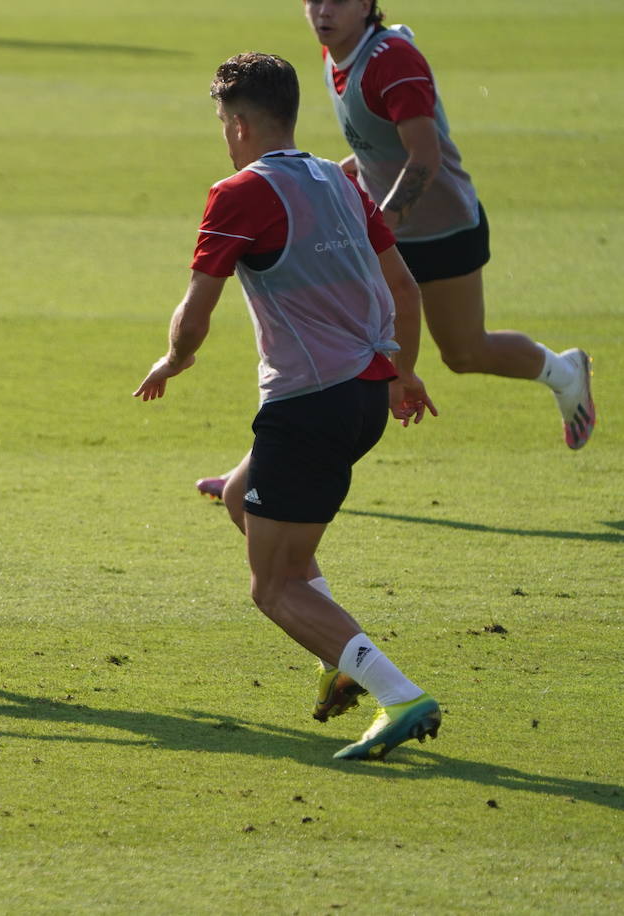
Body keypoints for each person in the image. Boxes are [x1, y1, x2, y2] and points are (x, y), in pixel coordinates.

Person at [134, 52, 440, 760]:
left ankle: (399, 693)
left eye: (223, 123)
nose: (224, 136)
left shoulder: (238, 194)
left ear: (240, 125)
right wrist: (403, 373)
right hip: (363, 395)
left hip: (307, 406)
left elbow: (195, 312)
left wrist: (174, 359)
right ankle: (338, 657)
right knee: (240, 498)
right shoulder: (340, 180)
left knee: (272, 586)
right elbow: (403, 287)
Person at [193, 1, 597, 501]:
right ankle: (255, 476)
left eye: (339, 0)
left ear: (366, 5)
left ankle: (565, 372)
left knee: (464, 352)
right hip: (385, 227)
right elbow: (376, 146)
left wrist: (375, 228)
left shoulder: (392, 60)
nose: (323, 11)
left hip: (441, 228)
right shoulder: (336, 55)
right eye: (315, 0)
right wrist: (341, 177)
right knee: (325, 343)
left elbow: (424, 154)